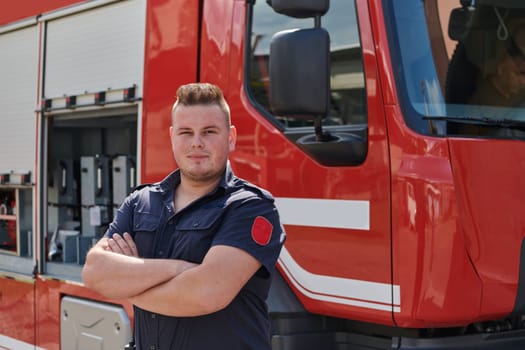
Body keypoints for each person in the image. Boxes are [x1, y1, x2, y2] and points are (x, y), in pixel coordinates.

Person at [82, 83, 286, 350]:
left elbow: (205, 293)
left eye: (209, 131)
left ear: (231, 137)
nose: (196, 142)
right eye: (186, 132)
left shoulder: (250, 207)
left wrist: (127, 281)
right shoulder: (140, 202)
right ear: (172, 137)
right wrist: (179, 270)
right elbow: (95, 272)